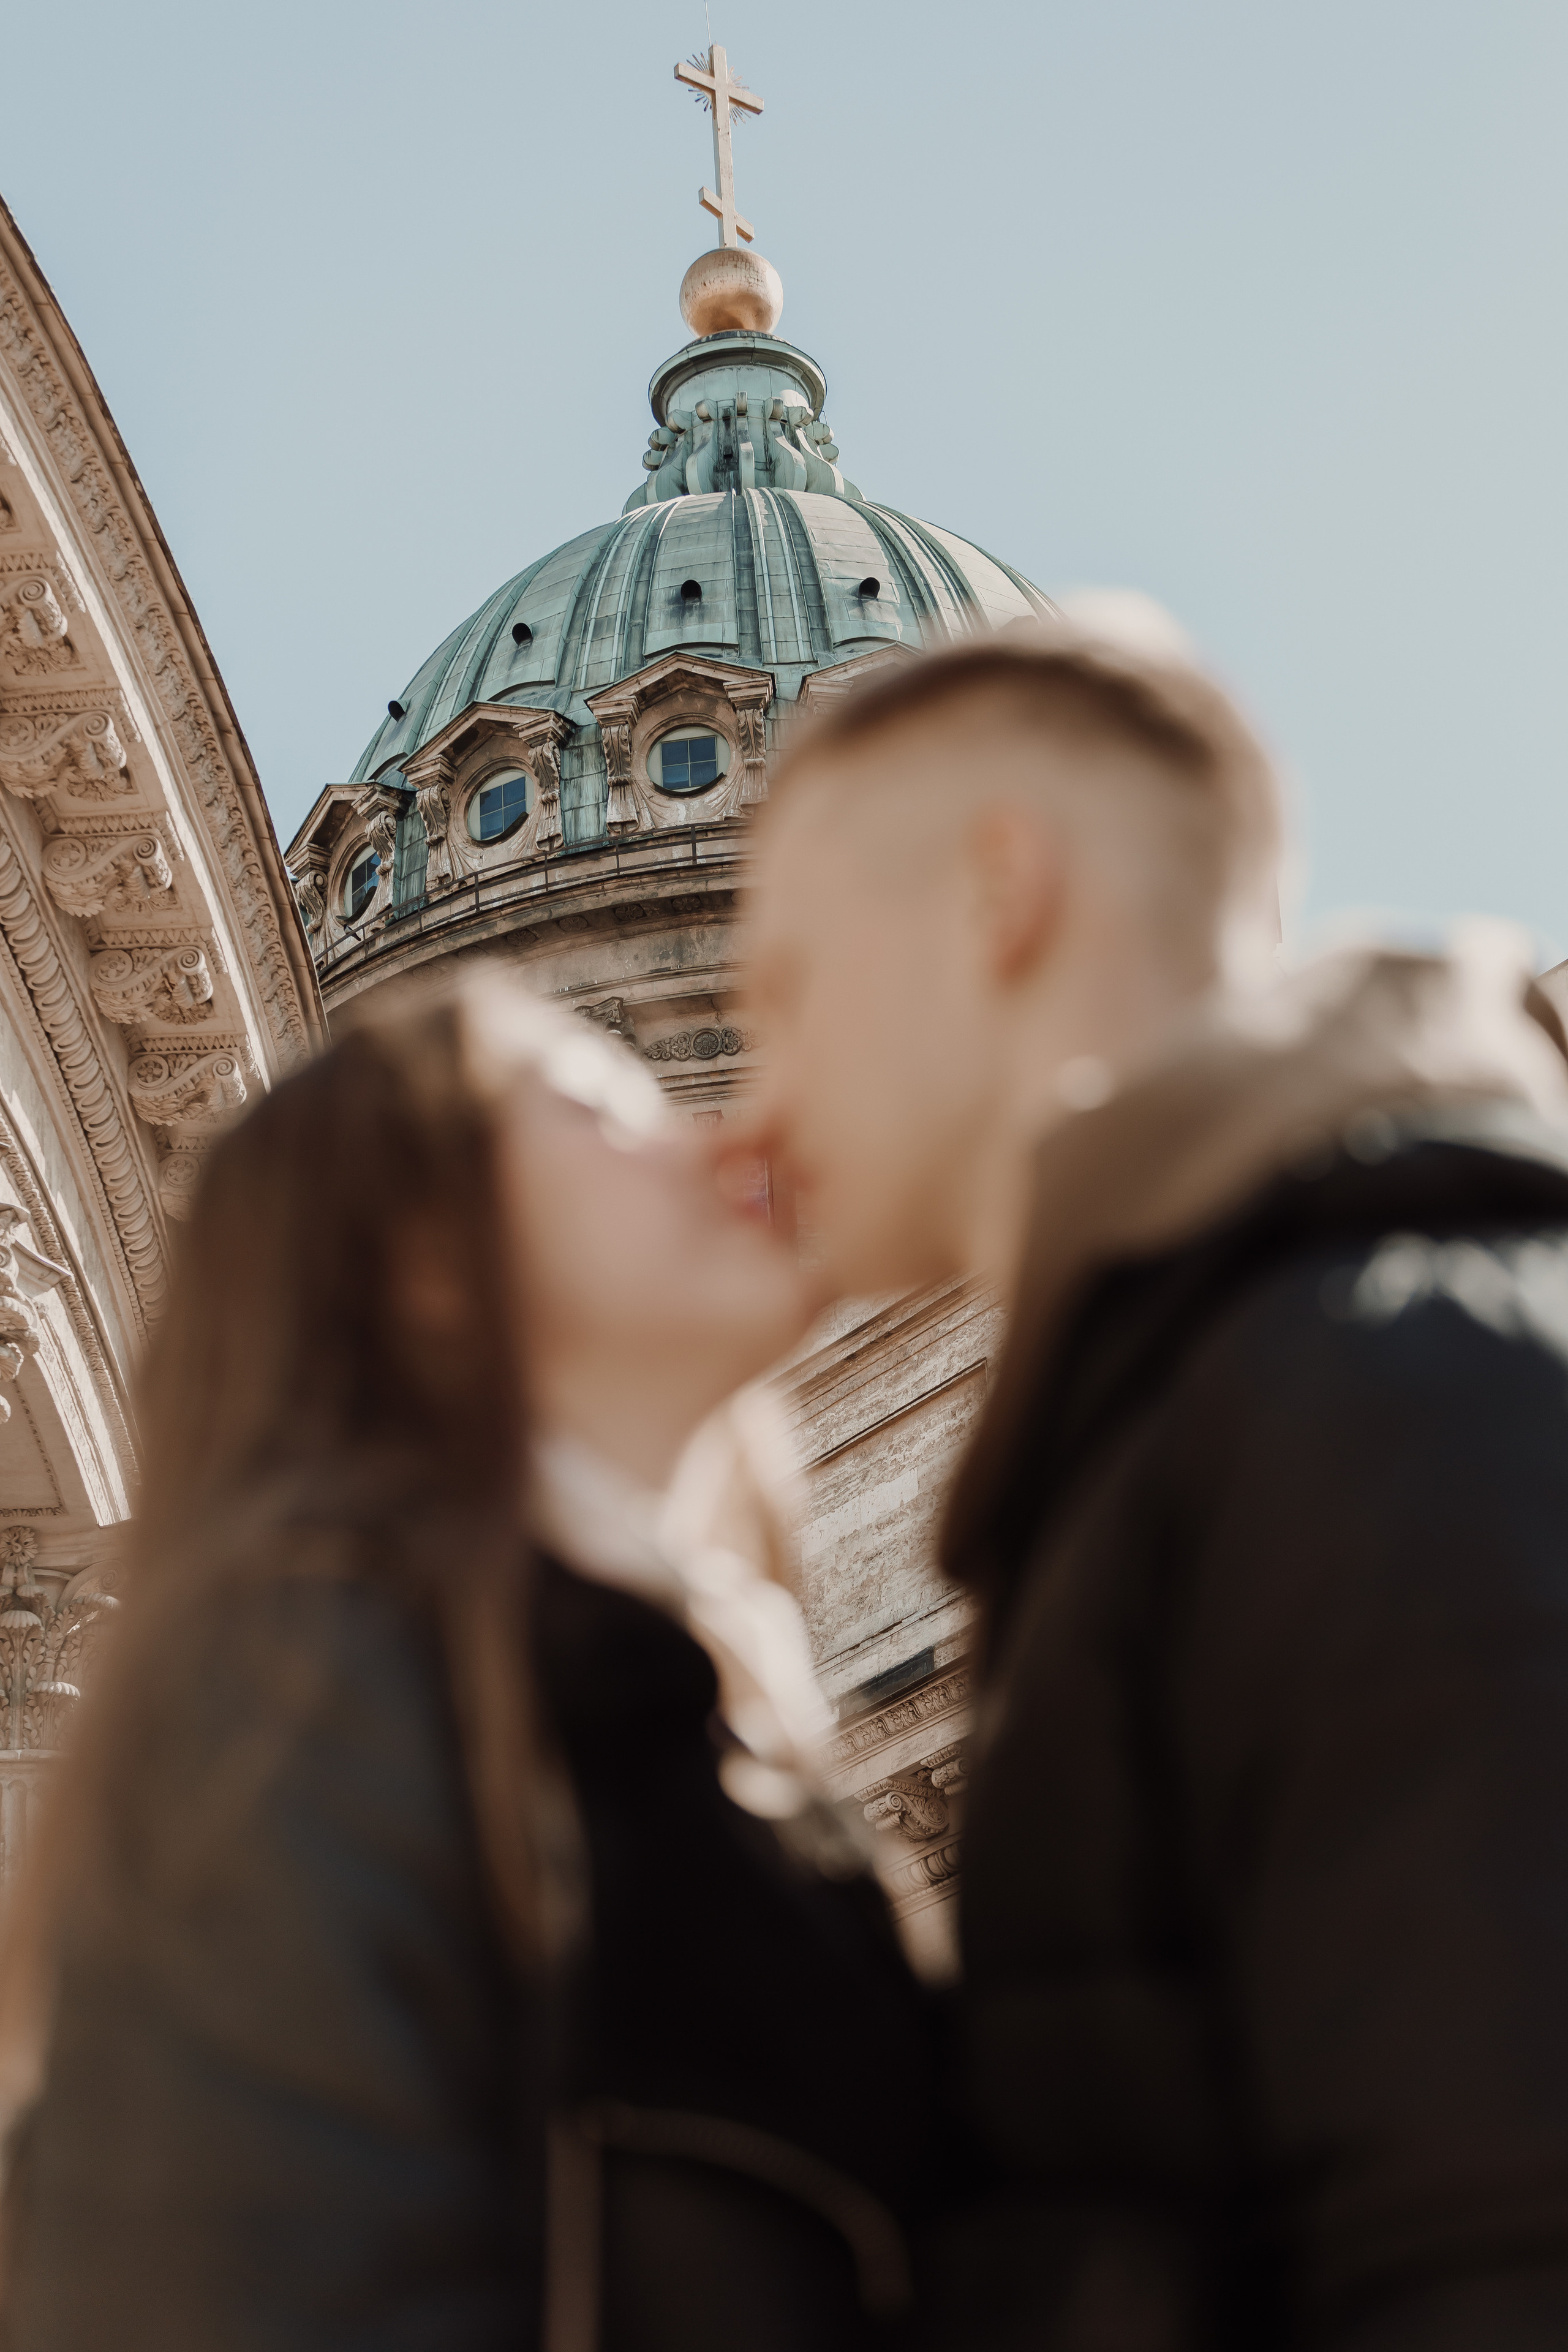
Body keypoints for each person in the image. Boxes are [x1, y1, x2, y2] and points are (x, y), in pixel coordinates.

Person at [740, 609, 1568, 2349]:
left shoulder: (1379, 1378)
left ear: (997, 895)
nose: (755, 1101)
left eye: (782, 992)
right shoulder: (1229, 1396)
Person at [0, 976, 933, 2352]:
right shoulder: (307, 1707)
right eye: (604, 1111)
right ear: (421, 1264)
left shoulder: (693, 1727)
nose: (721, 1136)